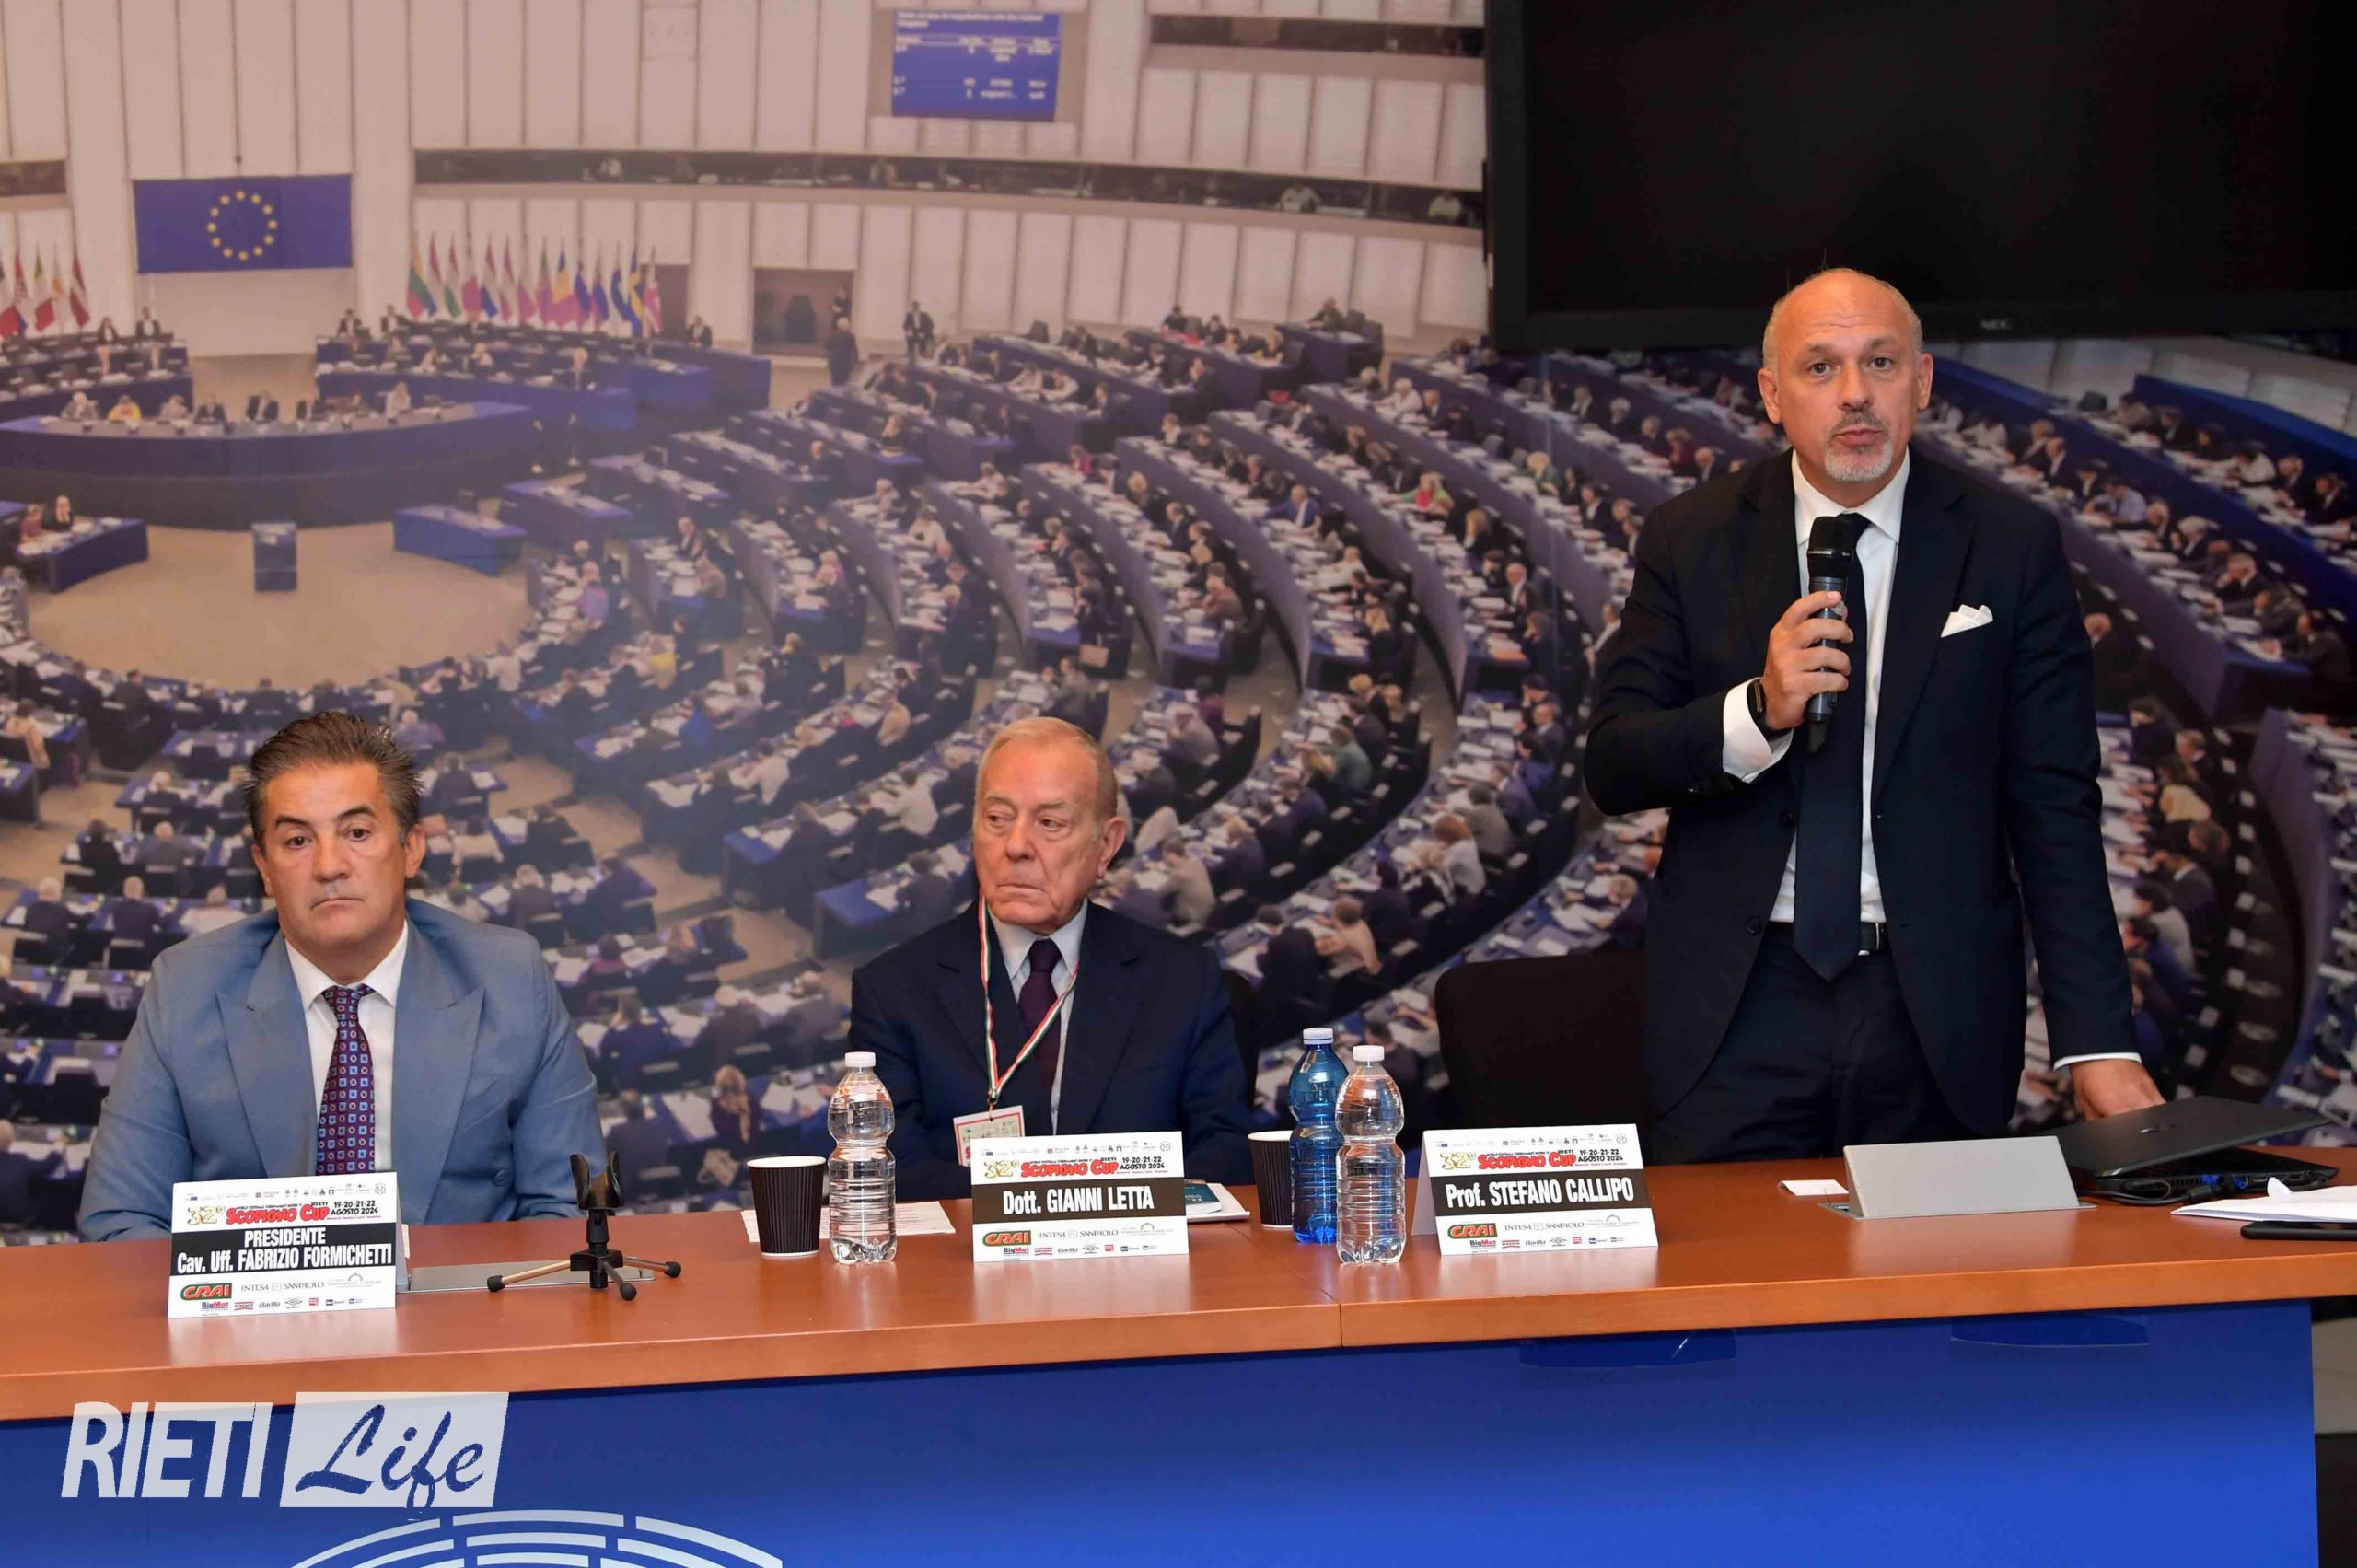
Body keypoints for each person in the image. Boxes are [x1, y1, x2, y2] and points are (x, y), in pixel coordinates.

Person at [1584, 268, 2156, 1164]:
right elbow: (1615, 761)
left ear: (1921, 382)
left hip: (1933, 1012)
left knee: (1930, 1260)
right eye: (1820, 367)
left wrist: (2097, 1042)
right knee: (1730, 1257)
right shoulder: (1691, 537)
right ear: (1772, 395)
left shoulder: (2009, 547)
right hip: (1737, 1009)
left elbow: (2055, 804)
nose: (1854, 392)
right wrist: (1758, 710)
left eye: (1880, 362)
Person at [77, 713, 605, 1239]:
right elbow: (121, 1221)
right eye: (297, 841)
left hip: (462, 1291)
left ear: (411, 848)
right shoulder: (185, 987)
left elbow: (570, 1210)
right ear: (263, 867)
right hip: (252, 1293)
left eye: (356, 832)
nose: (329, 866)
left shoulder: (510, 978)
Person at [850, 716, 1251, 1199]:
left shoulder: (1183, 980)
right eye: (997, 819)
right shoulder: (893, 991)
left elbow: (1225, 1156)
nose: (1016, 846)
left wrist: (1085, 1209)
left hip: (1136, 1247)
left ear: (1106, 846)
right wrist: (1066, 1198)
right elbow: (895, 1174)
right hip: (969, 1249)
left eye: (1049, 824)